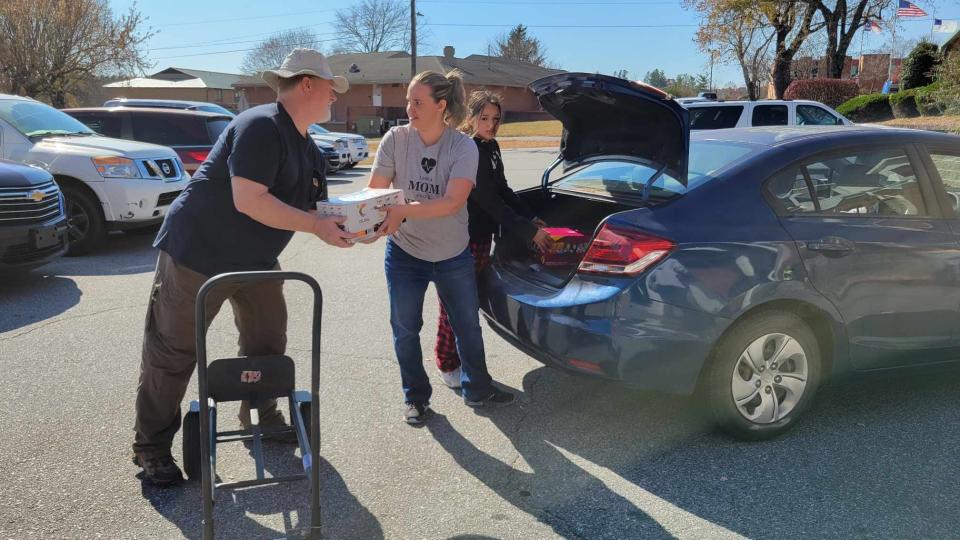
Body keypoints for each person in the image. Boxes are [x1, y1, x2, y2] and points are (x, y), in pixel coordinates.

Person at [132, 48, 355, 487]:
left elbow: (321, 210)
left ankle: (263, 414)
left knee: (268, 340)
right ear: (307, 84)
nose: (334, 97)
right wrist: (315, 225)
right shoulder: (259, 125)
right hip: (197, 253)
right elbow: (248, 199)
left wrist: (368, 221)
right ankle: (151, 448)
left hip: (256, 261)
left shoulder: (308, 148)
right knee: (173, 352)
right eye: (330, 88)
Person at [366, 70, 516, 425]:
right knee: (405, 328)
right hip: (405, 254)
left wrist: (400, 210)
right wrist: (364, 223)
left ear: (441, 105)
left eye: (417, 102)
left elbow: (452, 202)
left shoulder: (463, 147)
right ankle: (416, 397)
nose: (409, 108)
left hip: (453, 254)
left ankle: (477, 388)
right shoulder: (395, 139)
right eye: (408, 100)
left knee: (467, 325)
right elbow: (375, 193)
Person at [434, 91, 551, 388]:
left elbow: (504, 190)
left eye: (496, 119)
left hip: (481, 238)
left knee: (468, 302)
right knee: (454, 304)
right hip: (460, 238)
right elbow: (489, 201)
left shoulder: (491, 146)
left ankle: (460, 360)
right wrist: (529, 231)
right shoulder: (468, 150)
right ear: (471, 118)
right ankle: (447, 364)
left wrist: (530, 216)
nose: (491, 124)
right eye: (484, 118)